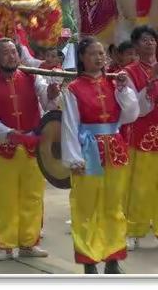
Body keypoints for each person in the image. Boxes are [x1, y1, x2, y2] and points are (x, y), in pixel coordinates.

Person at [0, 38, 61, 261]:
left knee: (33, 196)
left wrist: (52, 94)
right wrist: (8, 134)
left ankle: (29, 242)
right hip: (6, 149)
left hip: (34, 147)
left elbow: (47, 100)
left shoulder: (33, 77)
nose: (11, 56)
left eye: (14, 52)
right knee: (5, 197)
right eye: (5, 53)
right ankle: (5, 245)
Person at [61, 37, 139, 274]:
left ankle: (113, 257)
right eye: (93, 54)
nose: (99, 58)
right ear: (82, 58)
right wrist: (74, 158)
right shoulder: (73, 89)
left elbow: (131, 115)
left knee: (113, 205)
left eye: (101, 53)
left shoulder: (115, 83)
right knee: (86, 207)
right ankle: (89, 260)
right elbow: (69, 125)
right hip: (88, 151)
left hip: (114, 149)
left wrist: (125, 90)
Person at [123, 26, 158, 251]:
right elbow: (134, 108)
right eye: (144, 40)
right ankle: (134, 230)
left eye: (152, 39)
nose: (149, 43)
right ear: (135, 45)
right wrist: (150, 82)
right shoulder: (128, 72)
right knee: (139, 185)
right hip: (142, 134)